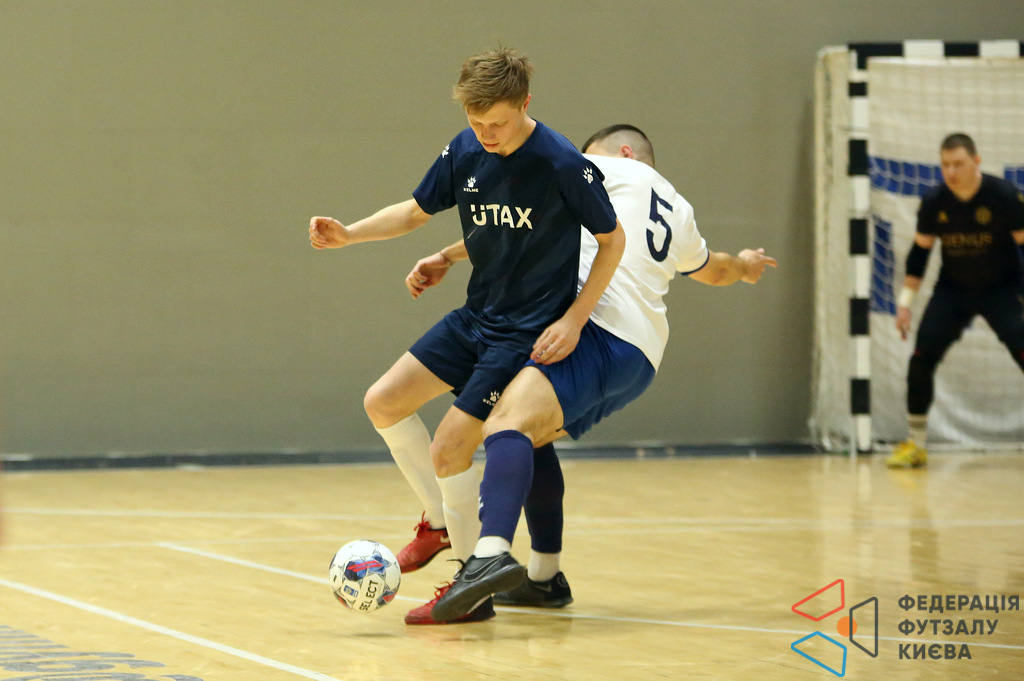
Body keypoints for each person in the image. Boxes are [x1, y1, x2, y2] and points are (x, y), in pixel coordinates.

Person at [409, 124, 777, 622]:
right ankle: (544, 578)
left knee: (505, 424)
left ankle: (489, 553)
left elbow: (514, 219)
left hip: (596, 329)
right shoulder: (679, 210)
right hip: (641, 357)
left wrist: (446, 255)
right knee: (529, 438)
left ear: (623, 152)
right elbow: (716, 269)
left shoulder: (596, 170)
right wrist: (747, 265)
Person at [309, 47, 625, 624]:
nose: (486, 134)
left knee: (450, 447)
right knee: (382, 401)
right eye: (476, 122)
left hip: (524, 334)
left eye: (497, 123)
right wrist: (350, 234)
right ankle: (438, 523)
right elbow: (414, 212)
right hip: (476, 317)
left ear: (525, 104)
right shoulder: (465, 148)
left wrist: (575, 319)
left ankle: (468, 588)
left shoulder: (561, 163)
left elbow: (612, 241)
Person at [888, 133, 1024, 468]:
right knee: (921, 358)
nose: (951, 172)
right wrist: (904, 305)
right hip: (953, 291)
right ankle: (915, 444)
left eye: (958, 164)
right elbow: (919, 255)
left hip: (1003, 289)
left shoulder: (1004, 196)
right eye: (945, 165)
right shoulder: (935, 201)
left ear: (976, 162)